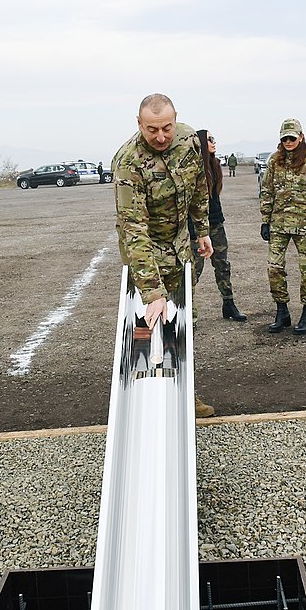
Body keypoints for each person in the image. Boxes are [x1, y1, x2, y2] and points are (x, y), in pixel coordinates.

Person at [112, 93, 217, 418]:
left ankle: (185, 394)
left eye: (166, 128)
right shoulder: (128, 163)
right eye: (152, 129)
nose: (160, 136)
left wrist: (202, 230)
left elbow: (200, 185)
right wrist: (153, 292)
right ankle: (146, 397)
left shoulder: (188, 140)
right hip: (146, 253)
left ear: (175, 121)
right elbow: (134, 231)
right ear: (139, 124)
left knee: (184, 322)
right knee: (145, 325)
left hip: (180, 245)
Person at [259, 119, 306, 335]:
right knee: (274, 268)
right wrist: (265, 221)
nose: (288, 142)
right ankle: (282, 311)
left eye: (292, 137)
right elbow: (267, 192)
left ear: (301, 137)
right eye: (285, 138)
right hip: (278, 224)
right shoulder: (274, 161)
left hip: (305, 226)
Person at [189, 130, 247, 322]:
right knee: (193, 271)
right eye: (210, 140)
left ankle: (228, 304)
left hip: (216, 224)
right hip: (197, 229)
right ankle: (189, 316)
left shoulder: (214, 165)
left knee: (222, 264)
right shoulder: (193, 168)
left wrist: (218, 219)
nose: (214, 142)